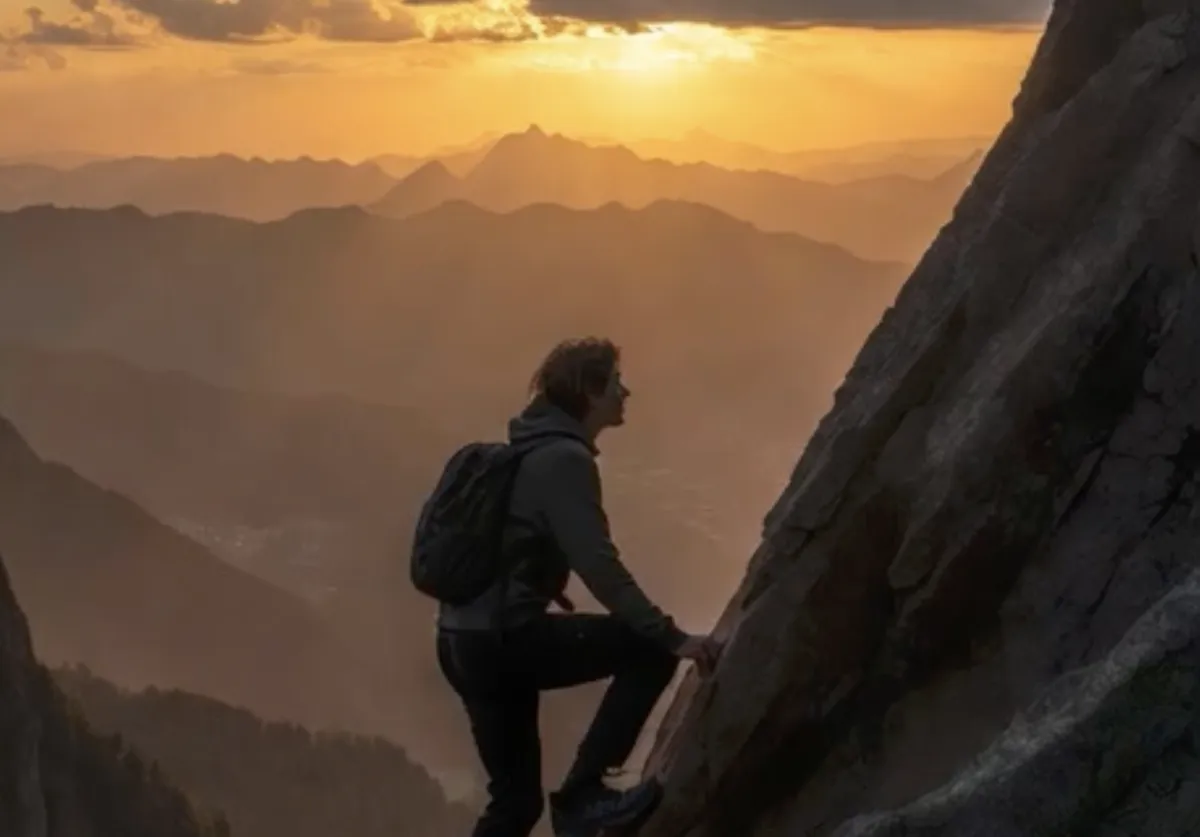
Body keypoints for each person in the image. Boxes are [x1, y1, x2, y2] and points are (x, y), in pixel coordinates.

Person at [435, 337, 723, 837]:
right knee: (647, 649)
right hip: (505, 641)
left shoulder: (525, 452)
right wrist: (671, 636)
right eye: (615, 382)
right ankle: (583, 797)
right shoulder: (564, 460)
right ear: (589, 392)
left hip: (462, 641)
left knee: (515, 804)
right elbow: (600, 566)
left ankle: (577, 801)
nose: (625, 392)